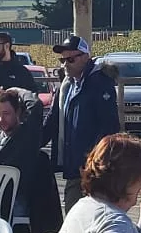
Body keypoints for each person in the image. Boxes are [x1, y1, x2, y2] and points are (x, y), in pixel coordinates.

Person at [48, 35, 121, 210]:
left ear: (85, 57)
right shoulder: (66, 86)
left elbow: (109, 127)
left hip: (93, 169)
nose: (65, 64)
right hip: (74, 167)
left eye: (70, 59)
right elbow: (52, 121)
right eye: (62, 60)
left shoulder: (100, 83)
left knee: (92, 216)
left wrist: (93, 162)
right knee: (73, 215)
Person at [0, 88, 61, 233]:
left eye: (6, 114)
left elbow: (35, 105)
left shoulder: (26, 136)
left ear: (17, 113)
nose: (1, 119)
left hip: (18, 202)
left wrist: (18, 91)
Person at [0, 31, 41, 127]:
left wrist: (12, 95)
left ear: (7, 46)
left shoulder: (21, 71)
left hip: (14, 128)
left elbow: (32, 96)